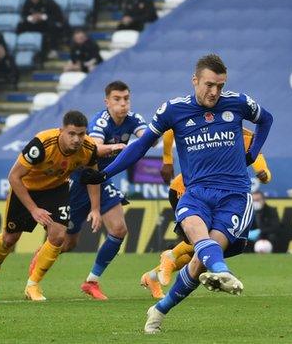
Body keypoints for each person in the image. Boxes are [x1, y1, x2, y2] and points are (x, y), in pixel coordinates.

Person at [80, 54, 273, 333]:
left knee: (199, 259)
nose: (215, 92)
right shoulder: (174, 109)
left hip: (234, 196)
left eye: (220, 85)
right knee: (201, 241)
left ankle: (160, 309)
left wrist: (253, 153)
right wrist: (105, 173)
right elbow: (141, 145)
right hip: (195, 193)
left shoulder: (238, 102)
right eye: (209, 84)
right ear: (195, 80)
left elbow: (266, 119)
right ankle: (221, 272)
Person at [27, 81, 146, 300]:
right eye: (117, 99)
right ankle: (38, 266)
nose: (123, 104)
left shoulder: (133, 119)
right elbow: (95, 150)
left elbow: (148, 135)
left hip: (99, 181)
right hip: (76, 183)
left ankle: (91, 281)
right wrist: (116, 147)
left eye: (126, 99)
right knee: (67, 242)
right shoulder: (100, 122)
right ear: (107, 101)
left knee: (119, 229)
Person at [0, 110, 102, 301]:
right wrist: (33, 209)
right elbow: (14, 177)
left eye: (81, 134)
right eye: (72, 134)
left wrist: (95, 208)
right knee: (10, 239)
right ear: (61, 131)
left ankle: (33, 285)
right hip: (26, 188)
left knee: (59, 235)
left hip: (56, 189)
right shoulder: (42, 143)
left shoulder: (89, 148)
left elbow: (93, 178)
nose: (77, 139)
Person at [140, 128, 273, 299]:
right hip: (190, 189)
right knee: (206, 242)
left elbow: (257, 155)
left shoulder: (239, 129)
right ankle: (170, 256)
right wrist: (167, 160)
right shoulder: (208, 121)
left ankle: (153, 276)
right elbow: (171, 128)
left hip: (215, 193)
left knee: (202, 250)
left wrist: (264, 173)